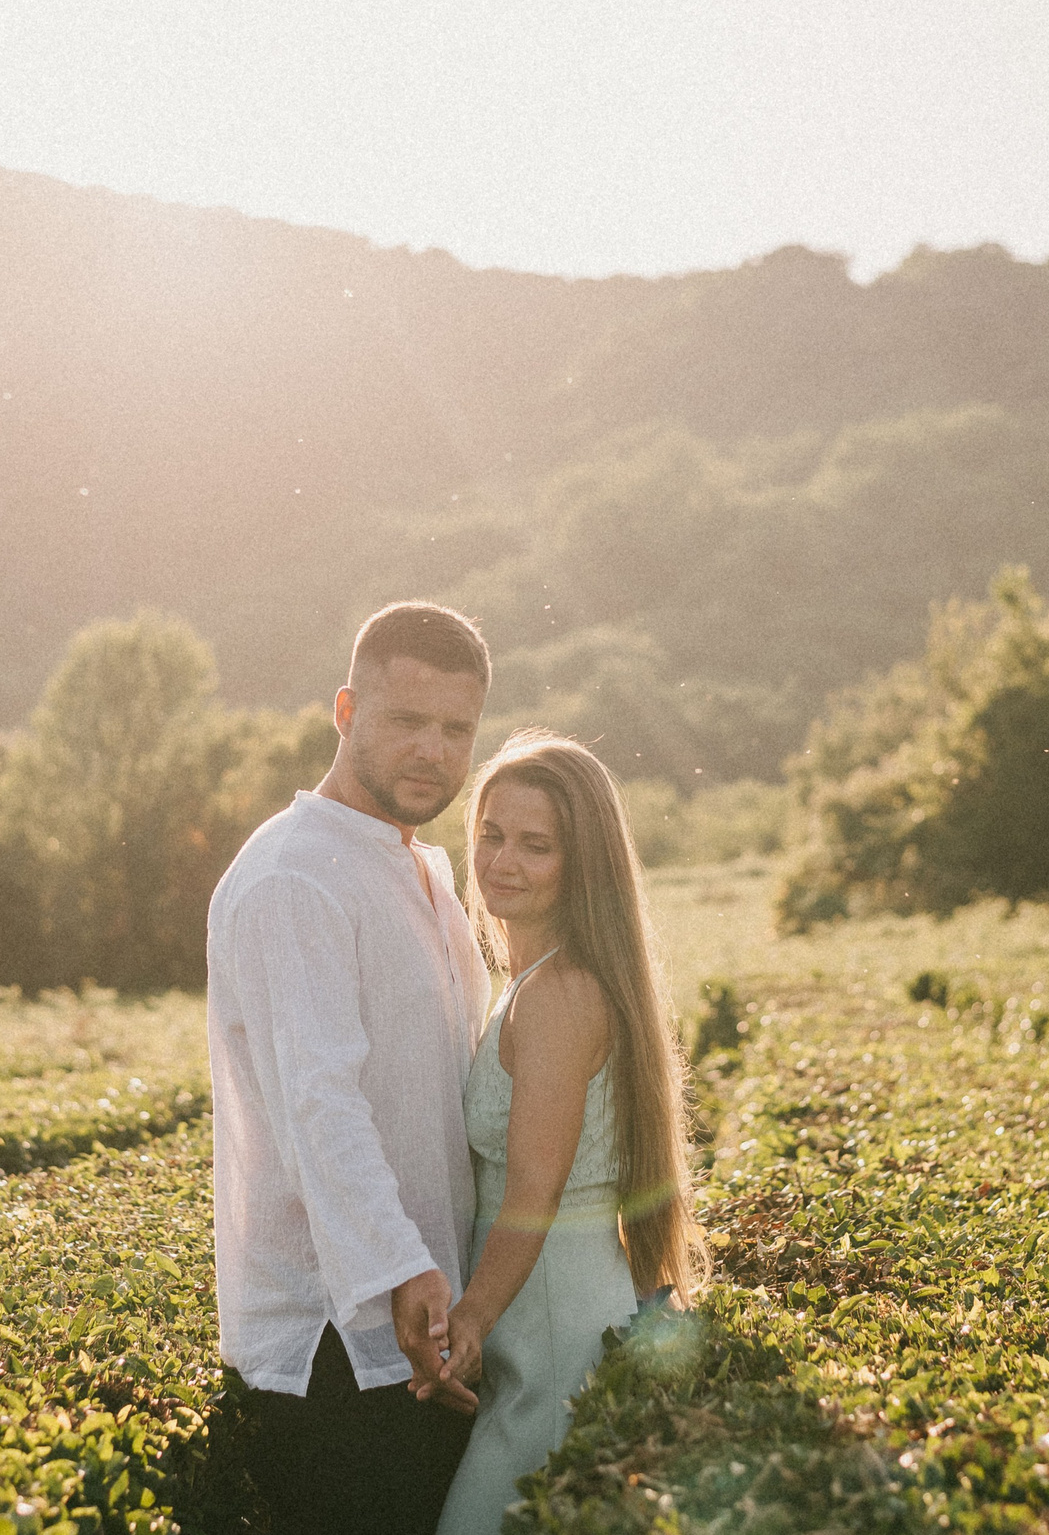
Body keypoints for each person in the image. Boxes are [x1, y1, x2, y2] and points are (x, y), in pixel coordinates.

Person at [205, 601, 495, 1535]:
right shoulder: (298, 875)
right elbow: (318, 1104)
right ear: (344, 710)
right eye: (406, 720)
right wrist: (405, 1270)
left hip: (428, 1329)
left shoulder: (427, 870)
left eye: (456, 729)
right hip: (341, 1342)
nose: (433, 751)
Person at [428, 730, 710, 1535]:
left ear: (580, 863)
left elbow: (533, 1188)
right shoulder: (533, 979)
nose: (501, 860)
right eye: (491, 833)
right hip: (544, 1316)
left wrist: (472, 1317)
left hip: (548, 1332)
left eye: (535, 844)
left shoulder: (558, 993)